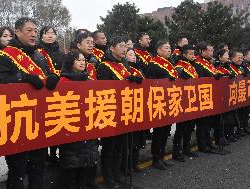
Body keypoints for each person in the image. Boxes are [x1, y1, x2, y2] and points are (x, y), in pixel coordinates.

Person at [0, 17, 59, 189]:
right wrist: (23, 78)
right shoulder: (4, 56)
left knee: (39, 171)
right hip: (17, 123)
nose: (34, 34)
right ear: (17, 32)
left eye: (35, 30)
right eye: (29, 30)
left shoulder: (39, 55)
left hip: (39, 120)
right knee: (17, 173)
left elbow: (47, 76)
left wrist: (52, 79)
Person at [98, 36, 142, 189]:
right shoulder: (104, 66)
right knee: (110, 147)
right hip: (110, 111)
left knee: (121, 147)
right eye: (121, 46)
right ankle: (108, 176)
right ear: (111, 48)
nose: (125, 49)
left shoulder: (123, 65)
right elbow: (104, 90)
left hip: (124, 111)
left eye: (125, 46)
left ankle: (117, 174)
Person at [57, 50, 100, 189]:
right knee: (71, 166)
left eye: (83, 60)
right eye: (78, 60)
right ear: (70, 62)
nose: (82, 62)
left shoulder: (89, 80)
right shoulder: (62, 81)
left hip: (88, 127)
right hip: (71, 128)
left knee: (86, 164)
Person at [146, 40, 178, 170]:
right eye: (166, 48)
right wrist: (164, 82)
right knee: (159, 132)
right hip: (159, 102)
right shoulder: (154, 64)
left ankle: (162, 156)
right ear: (158, 50)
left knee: (166, 131)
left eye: (170, 47)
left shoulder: (169, 63)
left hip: (170, 101)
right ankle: (156, 158)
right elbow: (151, 84)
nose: (169, 50)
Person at [172, 45, 199, 162]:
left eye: (193, 54)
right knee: (181, 128)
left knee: (190, 126)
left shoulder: (190, 66)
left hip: (191, 100)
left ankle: (186, 148)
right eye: (190, 54)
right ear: (184, 55)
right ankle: (176, 151)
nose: (193, 56)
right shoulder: (180, 66)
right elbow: (177, 80)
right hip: (182, 101)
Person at [193, 41, 220, 153]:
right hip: (202, 96)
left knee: (208, 122)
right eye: (209, 50)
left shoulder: (208, 62)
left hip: (210, 96)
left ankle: (208, 142)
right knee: (202, 123)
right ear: (202, 51)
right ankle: (202, 145)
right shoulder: (198, 63)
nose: (212, 52)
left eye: (212, 50)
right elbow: (200, 79)